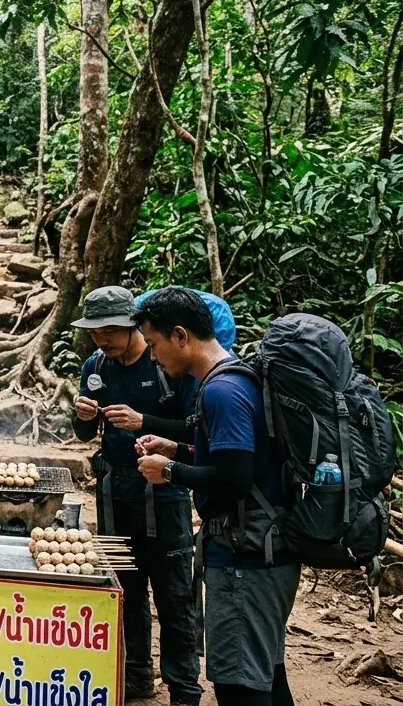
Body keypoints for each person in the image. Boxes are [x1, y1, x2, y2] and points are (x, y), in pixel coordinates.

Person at [134, 288, 298, 706]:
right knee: (266, 674)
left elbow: (235, 479)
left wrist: (169, 471)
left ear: (181, 336)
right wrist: (181, 449)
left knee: (239, 685)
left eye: (153, 345)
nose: (153, 357)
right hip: (264, 550)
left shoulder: (221, 391)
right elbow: (240, 457)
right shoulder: (237, 377)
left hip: (246, 558)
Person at [71, 287, 202, 705]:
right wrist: (83, 417)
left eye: (111, 331)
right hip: (115, 492)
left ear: (133, 326)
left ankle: (183, 689)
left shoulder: (167, 363)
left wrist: (144, 420)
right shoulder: (95, 365)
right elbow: (85, 435)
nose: (102, 341)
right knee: (125, 590)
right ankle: (136, 676)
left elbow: (195, 429)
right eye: (95, 332)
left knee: (174, 593)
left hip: (164, 491)